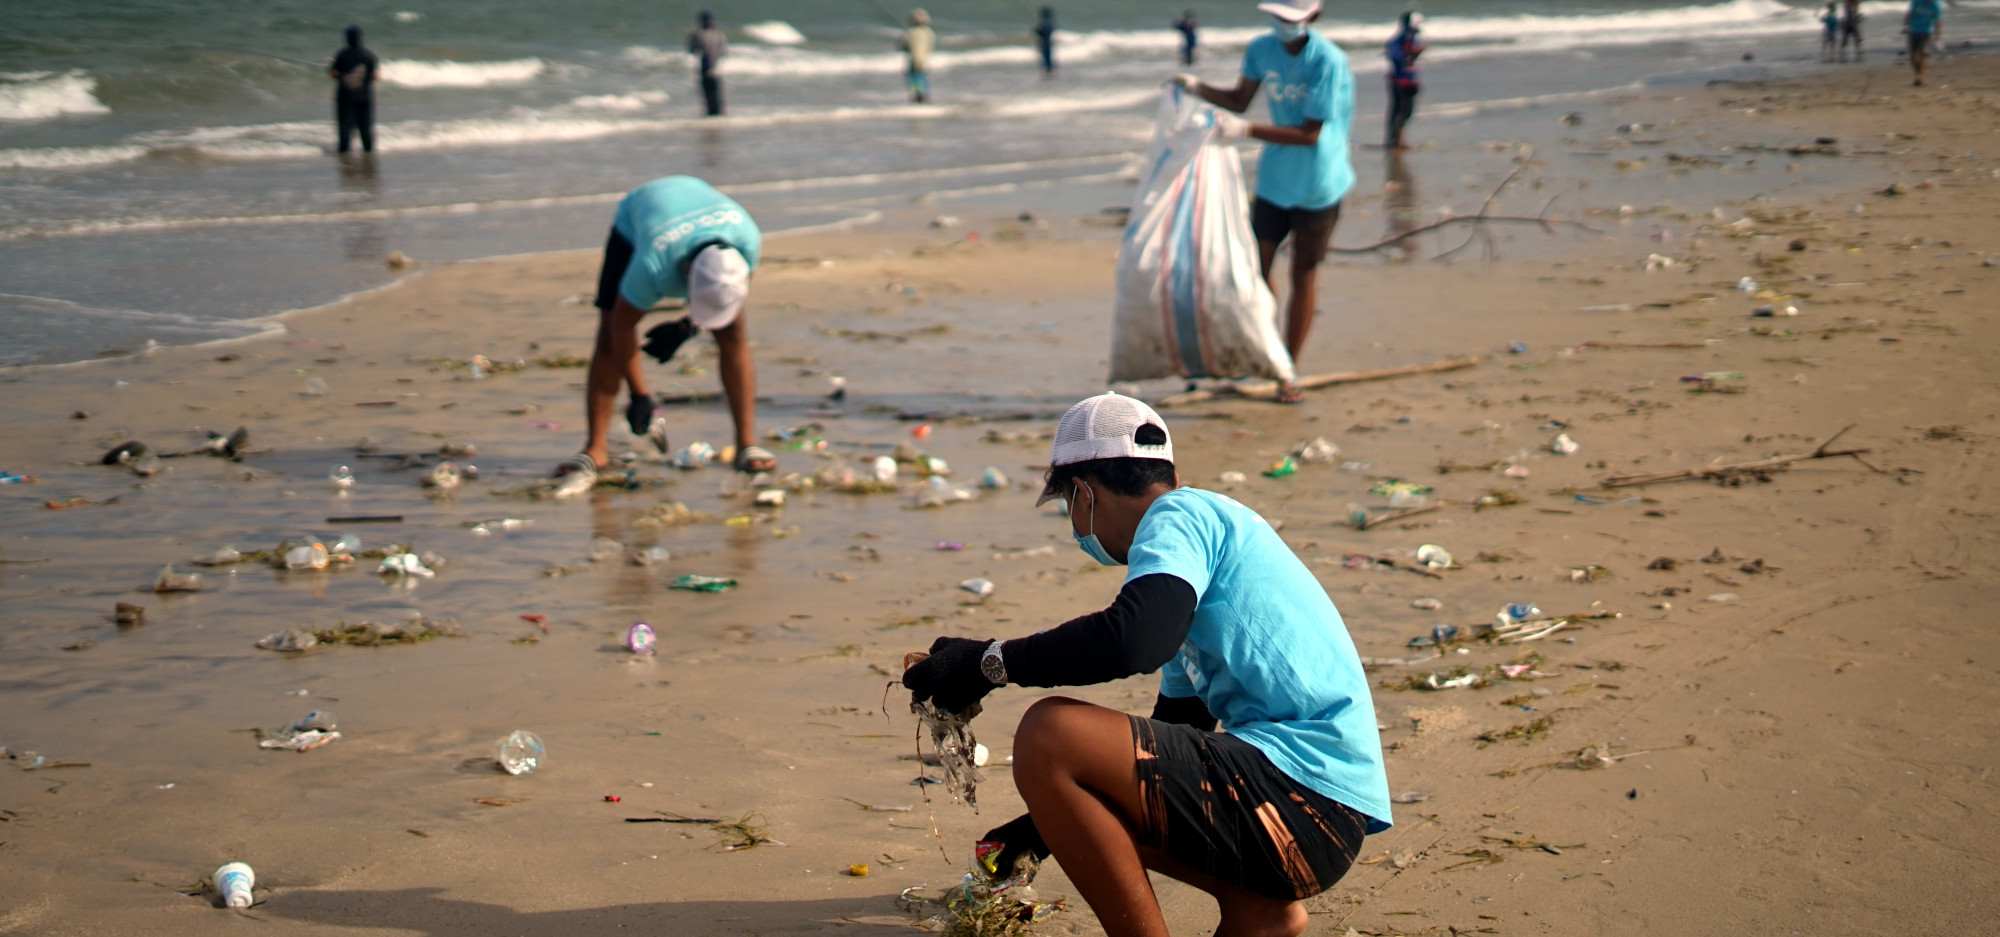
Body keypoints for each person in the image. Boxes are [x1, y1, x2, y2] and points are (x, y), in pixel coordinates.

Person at [901, 392, 1391, 937]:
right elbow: (1175, 738)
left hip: (1303, 793)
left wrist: (988, 663)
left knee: (1050, 734)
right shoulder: (1200, 569)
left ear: (1083, 492)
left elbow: (1133, 640)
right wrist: (1045, 828)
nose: (1075, 524)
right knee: (1094, 777)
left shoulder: (1179, 516)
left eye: (1068, 505)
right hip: (1317, 822)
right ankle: (1262, 909)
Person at [1173, 0, 1354, 404]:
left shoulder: (1327, 60)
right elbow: (1240, 99)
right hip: (1274, 182)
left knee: (1303, 273)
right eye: (1279, 17)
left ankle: (1288, 369)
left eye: (1293, 19)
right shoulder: (1261, 49)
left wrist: (1248, 130)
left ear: (1312, 18)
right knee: (1256, 269)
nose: (1284, 25)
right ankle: (1264, 349)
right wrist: (1196, 87)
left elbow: (1311, 134)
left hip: (1318, 183)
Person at [555, 176, 774, 480]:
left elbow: (729, 293)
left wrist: (688, 326)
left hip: (696, 199)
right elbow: (622, 326)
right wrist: (639, 396)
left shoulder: (747, 240)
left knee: (734, 332)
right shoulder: (652, 264)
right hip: (638, 216)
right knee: (607, 335)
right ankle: (595, 448)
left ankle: (746, 443)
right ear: (684, 273)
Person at [328, 25, 379, 155]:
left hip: (346, 98)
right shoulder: (370, 56)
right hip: (364, 98)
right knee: (366, 129)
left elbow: (334, 74)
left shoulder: (342, 54)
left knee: (344, 130)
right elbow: (374, 76)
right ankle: (368, 157)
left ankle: (344, 157)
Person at [1383, 11, 1424, 150]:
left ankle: (1400, 139)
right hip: (1398, 81)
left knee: (1408, 111)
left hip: (1410, 81)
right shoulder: (1397, 41)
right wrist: (1411, 52)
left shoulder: (1412, 40)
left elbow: (1412, 62)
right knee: (1398, 110)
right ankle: (1394, 141)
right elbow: (1395, 58)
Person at [688, 10, 726, 117]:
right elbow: (724, 52)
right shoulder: (719, 34)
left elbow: (692, 51)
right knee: (717, 95)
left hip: (705, 65)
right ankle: (718, 116)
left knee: (707, 95)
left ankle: (711, 116)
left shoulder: (698, 35)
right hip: (717, 67)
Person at [1905, 0, 1942, 85]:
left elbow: (1937, 21)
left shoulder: (1936, 6)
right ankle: (1917, 74)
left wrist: (1938, 37)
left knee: (1924, 54)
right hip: (1913, 30)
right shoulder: (1916, 2)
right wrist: (1905, 26)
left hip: (1927, 32)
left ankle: (1920, 76)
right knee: (1913, 57)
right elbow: (1909, 14)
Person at [902, 9, 935, 103]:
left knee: (917, 77)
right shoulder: (928, 32)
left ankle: (919, 96)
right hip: (920, 59)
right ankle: (921, 96)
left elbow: (906, 46)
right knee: (919, 77)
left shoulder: (913, 32)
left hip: (918, 59)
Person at [1033, 7, 1058, 76]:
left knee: (1046, 57)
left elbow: (1039, 32)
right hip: (1047, 43)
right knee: (1047, 57)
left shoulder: (1046, 24)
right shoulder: (1050, 23)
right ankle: (1049, 70)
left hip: (1045, 43)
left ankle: (1048, 70)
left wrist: (1038, 29)